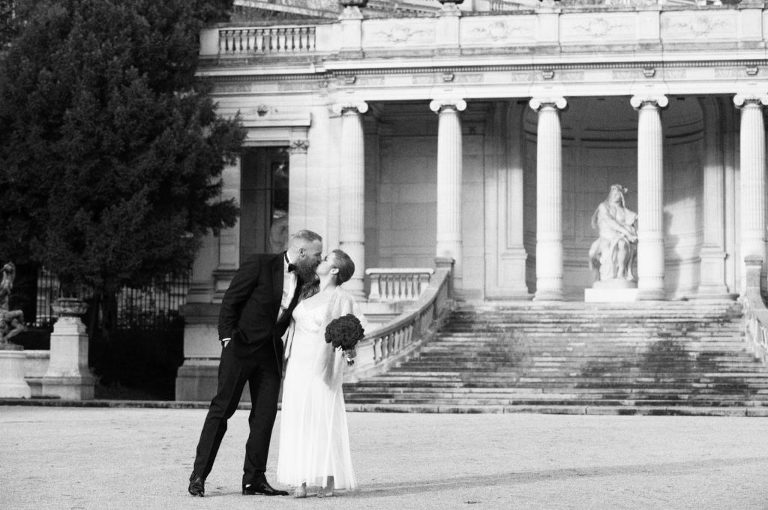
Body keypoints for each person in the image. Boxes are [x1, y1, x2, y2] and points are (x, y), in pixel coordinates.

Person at [188, 230, 324, 498]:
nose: (320, 259)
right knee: (222, 411)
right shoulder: (260, 264)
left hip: (270, 355)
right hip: (240, 350)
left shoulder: (307, 279)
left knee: (264, 417)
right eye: (317, 254)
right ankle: (199, 476)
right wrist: (227, 338)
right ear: (302, 252)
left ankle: (254, 480)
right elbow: (231, 301)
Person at [276, 249, 365, 498]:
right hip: (296, 365)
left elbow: (354, 329)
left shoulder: (342, 298)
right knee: (298, 418)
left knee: (322, 418)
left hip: (321, 365)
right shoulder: (308, 291)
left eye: (327, 260)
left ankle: (327, 478)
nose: (321, 260)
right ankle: (300, 478)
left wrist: (349, 352)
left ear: (335, 270)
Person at [588, 184, 638, 282]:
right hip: (606, 236)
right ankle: (602, 275)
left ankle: (621, 272)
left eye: (618, 194)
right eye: (614, 194)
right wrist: (627, 233)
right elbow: (611, 222)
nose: (616, 196)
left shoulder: (624, 210)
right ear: (610, 195)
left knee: (622, 243)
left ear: (621, 197)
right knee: (594, 252)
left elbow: (634, 218)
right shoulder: (603, 206)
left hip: (620, 236)